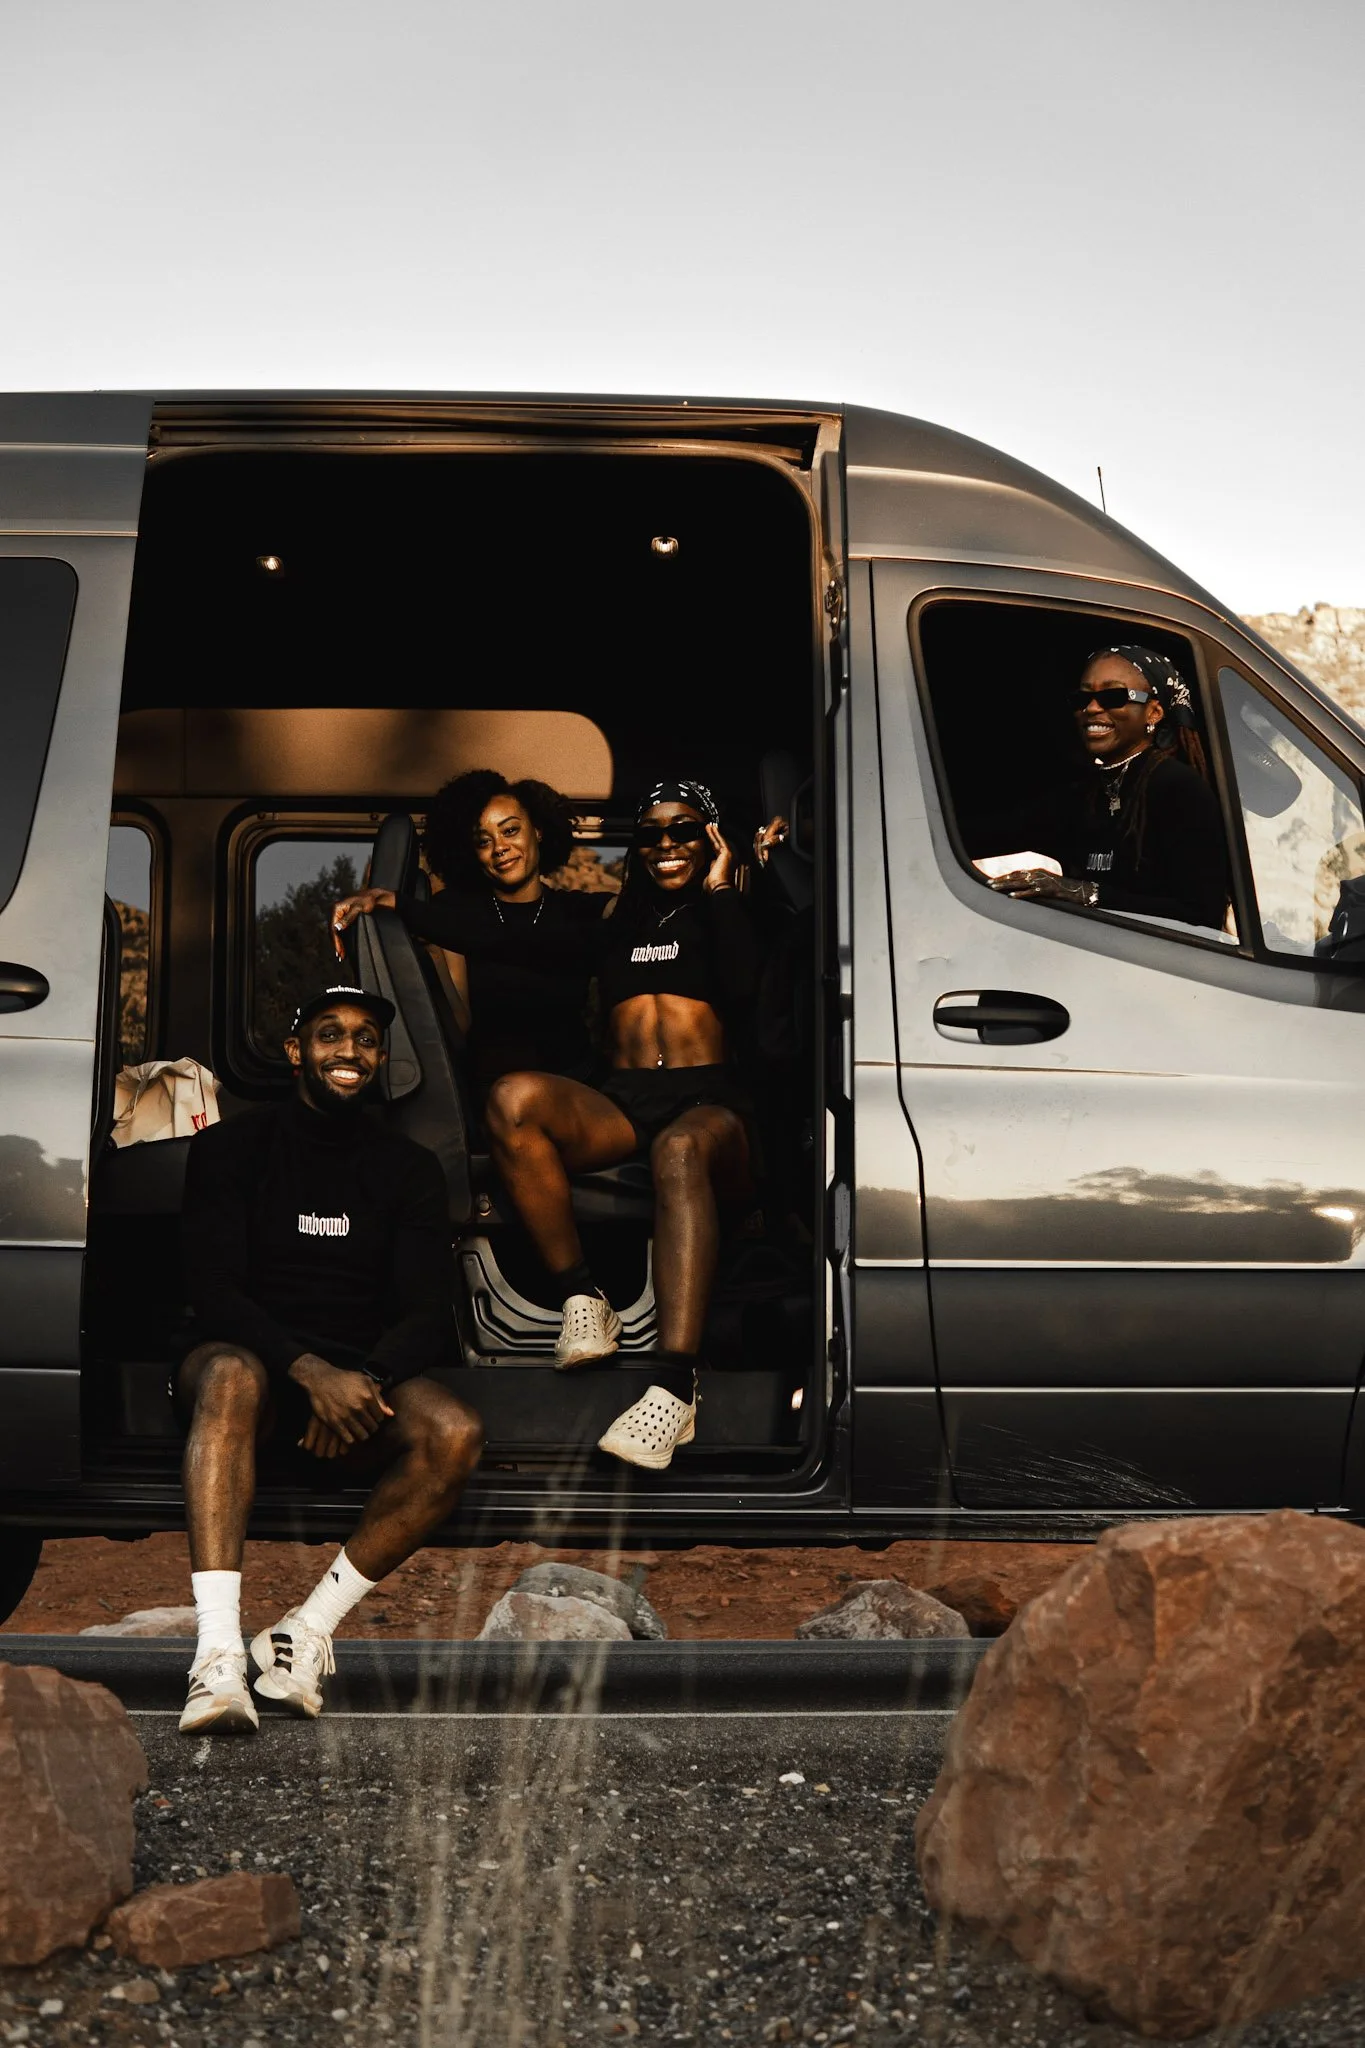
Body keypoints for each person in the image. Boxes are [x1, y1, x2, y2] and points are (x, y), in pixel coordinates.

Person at [175, 983, 483, 1736]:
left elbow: (427, 1313)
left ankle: (304, 1632)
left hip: (354, 1375)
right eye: (329, 1035)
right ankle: (217, 1655)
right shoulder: (232, 1147)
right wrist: (307, 1374)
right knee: (230, 1378)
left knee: (454, 1431)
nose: (349, 1051)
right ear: (296, 1052)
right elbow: (211, 1289)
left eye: (366, 1040)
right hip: (247, 1357)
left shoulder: (406, 1167)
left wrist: (364, 1385)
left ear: (379, 1059)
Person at [991, 645, 1230, 931]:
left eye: (1112, 696)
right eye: (1082, 698)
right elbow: (1000, 832)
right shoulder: (1085, 793)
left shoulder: (1178, 789)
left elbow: (1203, 913)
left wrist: (1083, 892)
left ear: (1154, 712)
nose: (1091, 708)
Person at [411, 770, 604, 1090]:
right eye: (483, 841)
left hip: (575, 1085)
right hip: (492, 1089)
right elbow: (459, 1025)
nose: (499, 847)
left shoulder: (577, 910)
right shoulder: (454, 913)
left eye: (510, 830)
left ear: (538, 831)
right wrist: (434, 950)